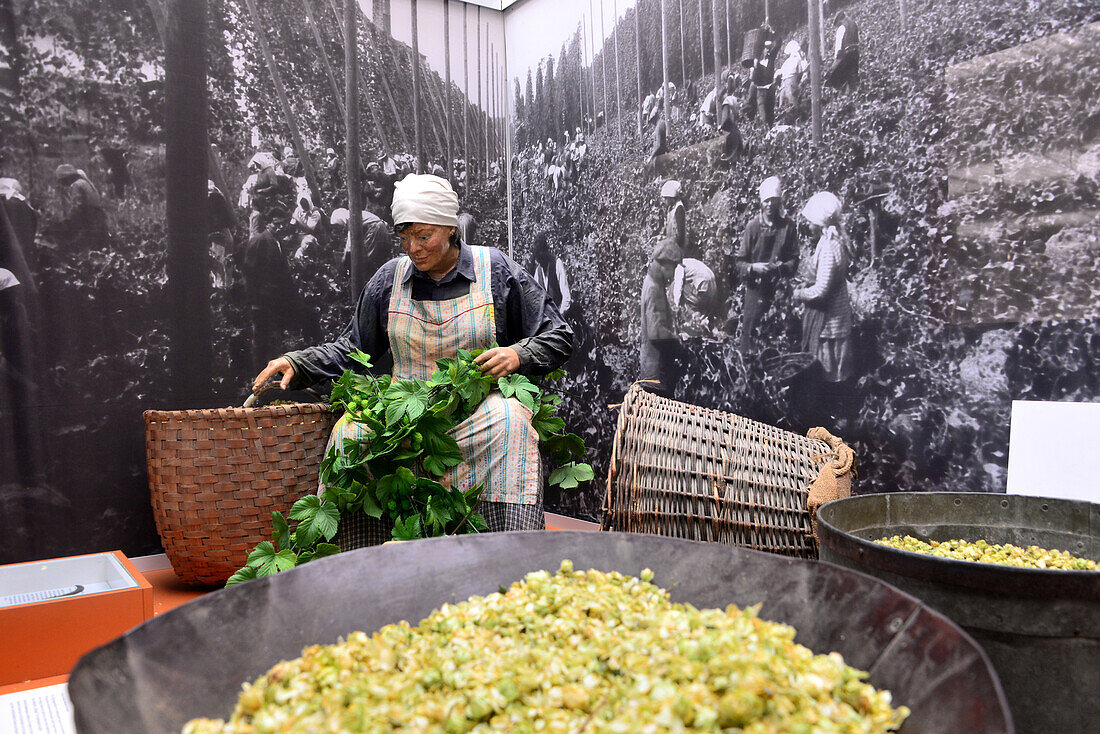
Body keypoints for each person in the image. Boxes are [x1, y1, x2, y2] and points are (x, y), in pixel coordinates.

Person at [252, 174, 573, 538]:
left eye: (424, 236)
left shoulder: (494, 270)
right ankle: (363, 558)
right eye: (404, 237)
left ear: (450, 228)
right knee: (350, 433)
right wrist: (298, 361)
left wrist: (518, 354)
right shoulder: (390, 278)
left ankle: (505, 551)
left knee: (511, 422)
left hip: (477, 408)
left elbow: (559, 335)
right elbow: (352, 348)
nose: (413, 248)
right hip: (405, 408)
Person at [734, 176, 799, 351]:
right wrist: (753, 268)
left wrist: (781, 268)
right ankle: (748, 373)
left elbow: (794, 259)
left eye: (774, 201)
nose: (770, 205)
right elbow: (739, 262)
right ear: (762, 203)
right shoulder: (753, 227)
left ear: (780, 202)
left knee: (777, 337)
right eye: (767, 201)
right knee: (751, 336)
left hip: (779, 290)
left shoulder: (788, 227)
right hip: (756, 290)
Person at [795, 192, 854, 383]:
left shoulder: (829, 246)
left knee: (830, 374)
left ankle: (836, 408)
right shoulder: (830, 240)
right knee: (832, 373)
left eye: (811, 221)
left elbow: (822, 290)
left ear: (820, 223)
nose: (809, 225)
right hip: (836, 313)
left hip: (831, 319)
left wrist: (798, 294)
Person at [640, 237, 682, 397]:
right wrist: (677, 343)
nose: (672, 274)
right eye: (672, 268)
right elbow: (656, 332)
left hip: (651, 369)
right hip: (657, 371)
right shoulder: (654, 288)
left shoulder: (650, 281)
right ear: (664, 264)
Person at [52, 164, 109, 251]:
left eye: (63, 181)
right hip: (98, 215)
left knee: (85, 245)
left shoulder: (75, 185)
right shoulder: (85, 182)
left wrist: (68, 220)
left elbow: (78, 206)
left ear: (67, 178)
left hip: (89, 217)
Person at [670, 257, 718, 336]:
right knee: (703, 311)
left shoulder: (679, 266)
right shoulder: (689, 262)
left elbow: (677, 287)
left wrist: (676, 306)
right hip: (711, 284)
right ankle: (706, 326)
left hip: (702, 283)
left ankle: (695, 324)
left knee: (676, 288)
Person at [528, 232, 572, 317]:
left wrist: (559, 315)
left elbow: (567, 298)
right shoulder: (538, 271)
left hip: (560, 317)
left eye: (541, 257)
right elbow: (535, 298)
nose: (540, 262)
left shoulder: (557, 264)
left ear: (545, 252)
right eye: (538, 259)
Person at [207, 180, 235, 289]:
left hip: (218, 235)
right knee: (223, 264)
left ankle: (221, 290)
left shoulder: (214, 200)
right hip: (222, 233)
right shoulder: (218, 199)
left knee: (219, 264)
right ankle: (224, 287)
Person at [746, 39, 778, 127]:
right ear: (762, 50)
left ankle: (770, 130)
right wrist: (756, 67)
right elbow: (754, 80)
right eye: (766, 48)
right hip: (761, 91)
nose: (768, 50)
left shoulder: (770, 60)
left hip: (770, 90)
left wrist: (773, 31)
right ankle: (764, 129)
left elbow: (778, 43)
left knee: (770, 112)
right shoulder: (757, 64)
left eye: (769, 48)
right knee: (763, 114)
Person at [827, 10, 860, 93]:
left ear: (839, 21)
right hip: (855, 52)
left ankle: (843, 96)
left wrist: (835, 61)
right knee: (852, 76)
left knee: (838, 77)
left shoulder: (842, 28)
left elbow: (838, 46)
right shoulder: (854, 24)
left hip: (846, 54)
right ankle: (853, 94)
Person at [776, 40, 809, 119]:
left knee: (788, 102)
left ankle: (794, 118)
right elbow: (804, 69)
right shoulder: (797, 59)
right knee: (792, 102)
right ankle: (794, 117)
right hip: (789, 82)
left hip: (787, 83)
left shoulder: (790, 61)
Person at [660, 180, 687, 256]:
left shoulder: (679, 209)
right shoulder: (670, 208)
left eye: (666, 198)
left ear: (672, 198)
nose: (664, 201)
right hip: (671, 247)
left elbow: (680, 235)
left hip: (677, 249)